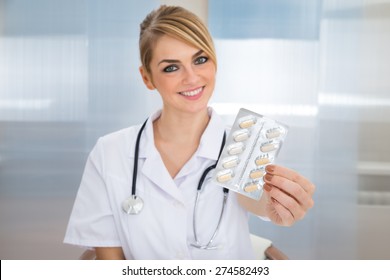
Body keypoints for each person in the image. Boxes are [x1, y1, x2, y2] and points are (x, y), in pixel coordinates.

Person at [64, 5, 315, 260]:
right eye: (171, 67)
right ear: (147, 77)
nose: (192, 78)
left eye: (200, 59)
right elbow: (109, 257)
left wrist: (280, 207)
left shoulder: (245, 144)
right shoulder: (111, 152)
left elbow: (256, 200)